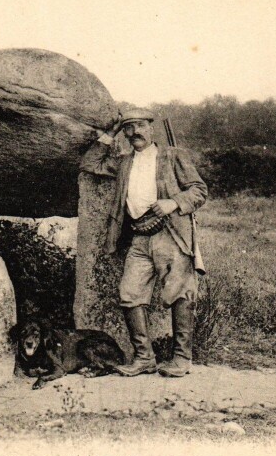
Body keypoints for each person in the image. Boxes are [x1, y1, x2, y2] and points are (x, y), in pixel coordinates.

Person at [80, 108, 207, 377]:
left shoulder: (173, 156)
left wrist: (172, 202)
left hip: (171, 234)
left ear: (151, 128)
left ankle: (182, 359)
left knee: (180, 293)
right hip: (139, 238)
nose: (135, 132)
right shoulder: (124, 161)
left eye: (139, 126)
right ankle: (144, 358)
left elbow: (199, 190)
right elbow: (90, 163)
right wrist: (111, 132)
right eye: (128, 128)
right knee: (129, 293)